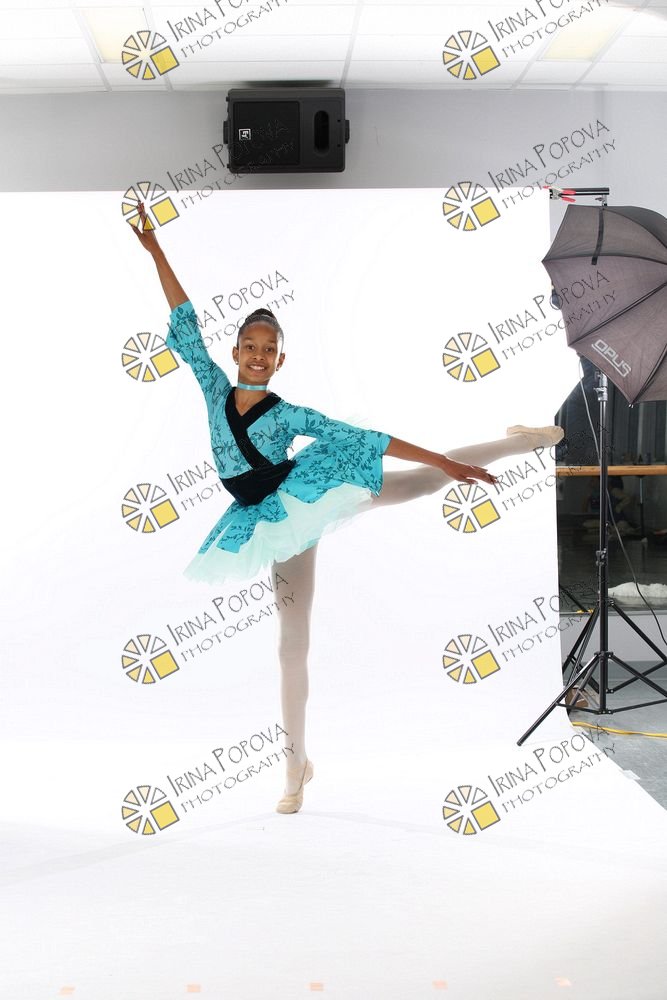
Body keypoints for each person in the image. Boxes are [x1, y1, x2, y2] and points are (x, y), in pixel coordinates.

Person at [130, 202, 564, 814]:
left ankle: (523, 440)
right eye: (250, 345)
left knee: (417, 484)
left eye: (269, 348)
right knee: (291, 643)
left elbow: (367, 439)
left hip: (303, 499)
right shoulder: (214, 387)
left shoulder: (289, 413)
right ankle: (297, 765)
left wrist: (445, 462)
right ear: (236, 351)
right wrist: (155, 250)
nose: (258, 354)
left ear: (281, 359)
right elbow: (185, 323)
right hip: (265, 517)